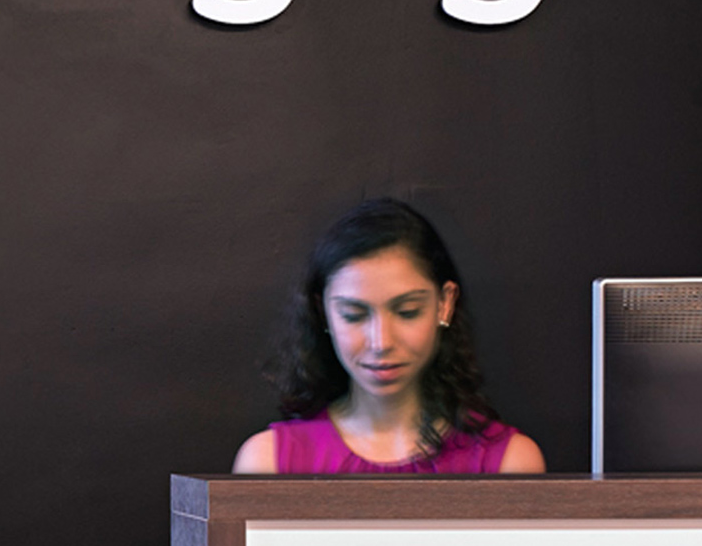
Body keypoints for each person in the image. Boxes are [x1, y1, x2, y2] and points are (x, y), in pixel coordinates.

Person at [233, 198, 545, 475]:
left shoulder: (508, 463)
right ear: (323, 311)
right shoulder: (269, 462)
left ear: (445, 304)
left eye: (407, 311)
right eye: (354, 315)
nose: (381, 342)